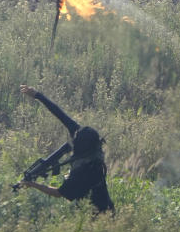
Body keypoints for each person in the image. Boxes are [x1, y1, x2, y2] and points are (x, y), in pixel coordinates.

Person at [16, 85, 114, 214]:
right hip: (103, 208)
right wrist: (37, 95)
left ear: (81, 146)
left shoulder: (85, 172)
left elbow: (57, 193)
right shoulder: (91, 145)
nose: (74, 135)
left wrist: (32, 185)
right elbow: (60, 114)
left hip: (98, 215)